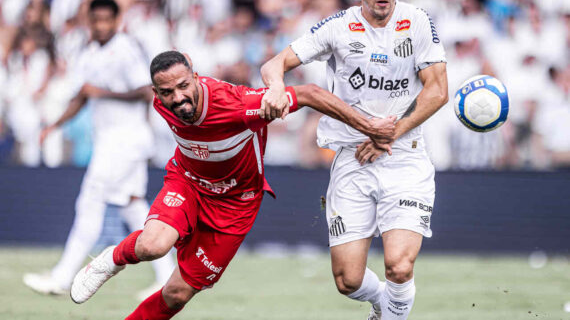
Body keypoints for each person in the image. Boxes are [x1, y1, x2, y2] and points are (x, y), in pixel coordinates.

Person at [69, 50, 396, 319]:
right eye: (167, 92)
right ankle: (110, 260)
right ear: (156, 93)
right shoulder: (162, 104)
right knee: (153, 245)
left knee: (176, 293)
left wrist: (368, 126)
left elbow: (309, 93)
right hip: (188, 184)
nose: (178, 98)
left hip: (235, 205)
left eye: (183, 86)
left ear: (195, 76)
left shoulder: (238, 106)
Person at [260, 0, 449, 319]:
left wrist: (389, 134)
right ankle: (383, 304)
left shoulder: (416, 21)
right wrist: (277, 86)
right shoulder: (337, 26)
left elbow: (438, 90)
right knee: (347, 280)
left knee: (399, 267)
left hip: (405, 156)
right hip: (353, 159)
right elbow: (273, 65)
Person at [23, 0, 175, 300]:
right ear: (90, 21)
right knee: (132, 204)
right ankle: (167, 276)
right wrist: (53, 125)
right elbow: (82, 95)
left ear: (117, 21)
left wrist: (102, 93)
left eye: (108, 20)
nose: (102, 25)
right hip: (112, 140)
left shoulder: (126, 49)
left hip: (126, 139)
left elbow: (146, 92)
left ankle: (63, 277)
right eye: (97, 20)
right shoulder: (88, 51)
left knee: (90, 200)